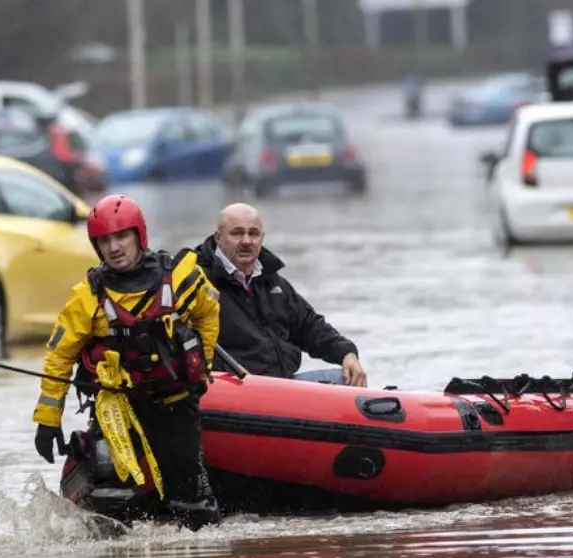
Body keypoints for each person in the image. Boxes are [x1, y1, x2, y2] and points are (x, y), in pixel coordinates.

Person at [32, 194, 223, 530]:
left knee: (193, 502)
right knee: (110, 497)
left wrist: (202, 367)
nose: (114, 247)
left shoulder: (180, 279)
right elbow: (59, 357)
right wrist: (48, 420)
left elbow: (209, 313)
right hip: (117, 411)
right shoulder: (86, 296)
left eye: (121, 237)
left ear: (139, 235)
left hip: (175, 405)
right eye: (104, 241)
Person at [193, 202, 367, 386]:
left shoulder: (273, 283)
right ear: (218, 238)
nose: (246, 241)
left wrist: (347, 353)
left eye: (253, 233)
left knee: (348, 379)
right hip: (233, 390)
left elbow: (310, 325)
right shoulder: (198, 281)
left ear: (262, 238)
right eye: (237, 233)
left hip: (282, 387)